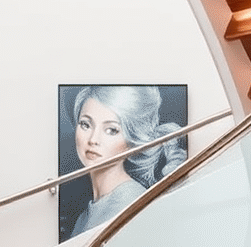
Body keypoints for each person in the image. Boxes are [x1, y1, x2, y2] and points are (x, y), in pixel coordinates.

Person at [65, 85, 186, 239]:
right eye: (86, 125)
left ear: (132, 140)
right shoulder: (85, 215)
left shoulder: (131, 204)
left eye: (111, 130)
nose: (93, 140)